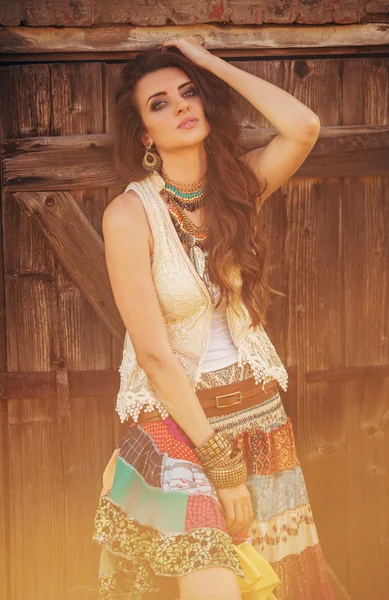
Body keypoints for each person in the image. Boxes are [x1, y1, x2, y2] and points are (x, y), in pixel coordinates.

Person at [92, 36, 335, 600]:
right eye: (159, 103)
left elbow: (303, 128)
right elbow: (153, 355)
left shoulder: (238, 190)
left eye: (188, 93)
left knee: (276, 585)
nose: (180, 106)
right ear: (144, 134)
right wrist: (219, 466)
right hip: (176, 428)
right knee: (216, 589)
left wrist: (208, 62)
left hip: (259, 417)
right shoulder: (129, 215)